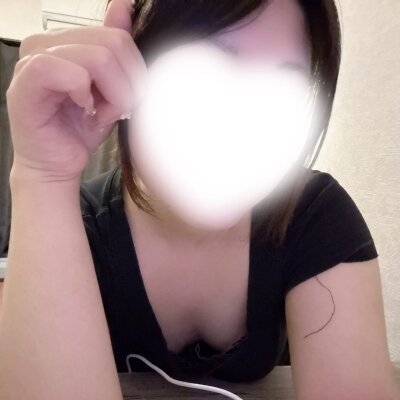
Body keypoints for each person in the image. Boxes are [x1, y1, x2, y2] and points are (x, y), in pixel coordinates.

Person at [1, 0, 399, 399]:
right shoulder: (77, 225)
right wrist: (44, 176)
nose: (242, 125)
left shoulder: (314, 214)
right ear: (130, 66)